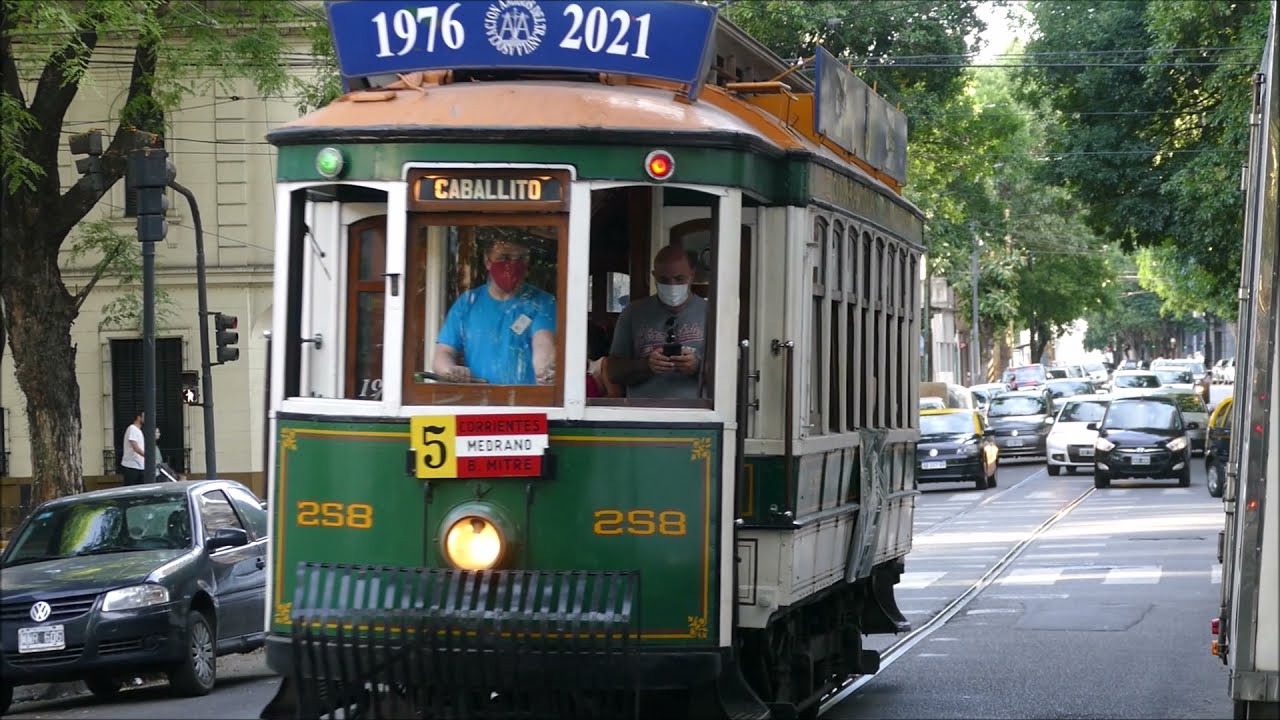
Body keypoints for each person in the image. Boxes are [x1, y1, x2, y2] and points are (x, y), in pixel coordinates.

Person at [433, 235, 557, 385]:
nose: (512, 264)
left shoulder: (542, 302)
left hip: (526, 401)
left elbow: (544, 343)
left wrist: (544, 368)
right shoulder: (468, 302)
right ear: (487, 261)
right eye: (504, 257)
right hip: (478, 401)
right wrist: (450, 370)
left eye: (520, 259)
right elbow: (443, 352)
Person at [607, 245, 708, 398]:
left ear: (692, 275)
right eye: (664, 280)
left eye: (679, 279)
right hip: (645, 413)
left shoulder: (712, 313)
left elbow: (731, 372)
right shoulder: (633, 313)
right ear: (654, 276)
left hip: (697, 413)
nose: (672, 286)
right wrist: (646, 365)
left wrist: (697, 366)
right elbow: (613, 372)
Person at [120, 411, 146, 486]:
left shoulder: (139, 431)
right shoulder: (132, 428)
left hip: (139, 466)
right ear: (139, 418)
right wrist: (148, 457)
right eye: (144, 416)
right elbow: (136, 447)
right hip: (132, 466)